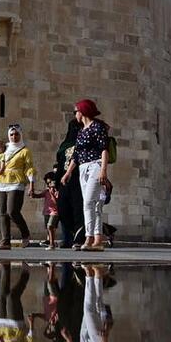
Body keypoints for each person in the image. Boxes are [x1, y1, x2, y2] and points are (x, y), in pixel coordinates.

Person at [61, 99, 111, 252]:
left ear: (82, 112)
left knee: (88, 202)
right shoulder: (81, 131)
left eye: (75, 111)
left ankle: (88, 238)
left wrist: (103, 170)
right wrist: (68, 173)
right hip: (82, 168)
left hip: (95, 165)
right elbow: (76, 155)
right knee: (94, 204)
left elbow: (104, 149)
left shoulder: (97, 127)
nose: (75, 114)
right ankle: (98, 239)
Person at [0, 124, 36, 250]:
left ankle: (25, 234)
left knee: (12, 211)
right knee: (2, 212)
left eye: (16, 134)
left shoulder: (24, 151)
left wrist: (31, 184)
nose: (14, 137)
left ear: (20, 135)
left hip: (16, 182)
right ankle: (5, 241)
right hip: (2, 181)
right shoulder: (4, 148)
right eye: (11, 134)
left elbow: (29, 167)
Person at [54, 120, 85, 249]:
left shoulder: (84, 143)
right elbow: (60, 165)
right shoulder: (64, 146)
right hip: (64, 182)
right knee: (63, 210)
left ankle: (79, 239)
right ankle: (74, 234)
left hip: (79, 180)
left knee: (78, 210)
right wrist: (55, 185)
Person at [30, 172, 60, 251]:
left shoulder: (57, 191)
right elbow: (38, 196)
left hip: (55, 212)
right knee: (48, 228)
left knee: (50, 226)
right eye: (47, 183)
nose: (49, 184)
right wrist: (32, 193)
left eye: (50, 182)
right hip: (46, 212)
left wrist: (52, 193)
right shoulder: (46, 191)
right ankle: (50, 242)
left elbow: (56, 202)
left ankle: (52, 244)